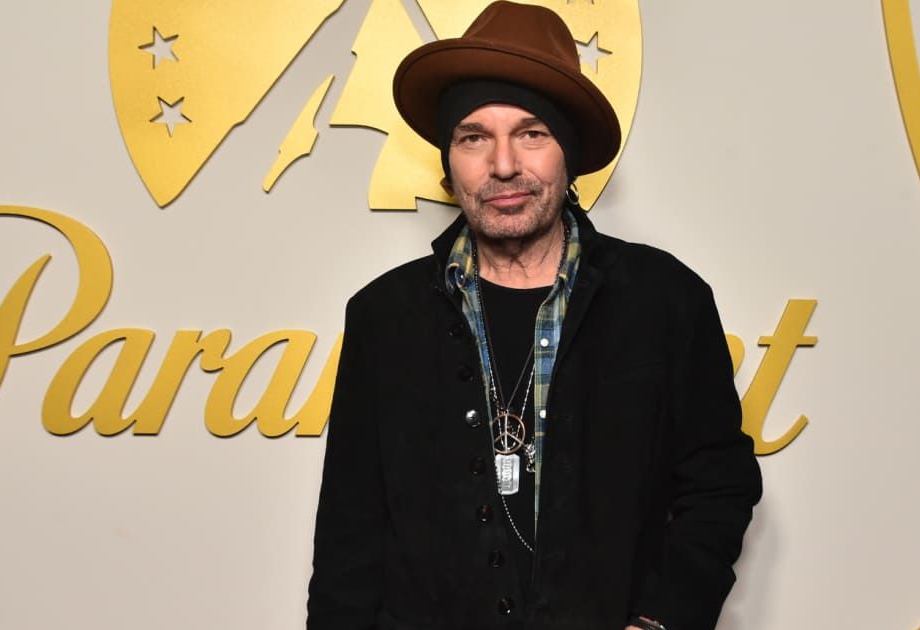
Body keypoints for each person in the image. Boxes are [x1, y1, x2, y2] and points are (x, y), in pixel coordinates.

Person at [307, 2, 762, 629]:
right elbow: (348, 534)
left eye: (531, 133)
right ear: (448, 161)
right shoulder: (384, 316)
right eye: (473, 137)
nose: (502, 166)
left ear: (567, 155)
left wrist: (661, 620)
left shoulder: (666, 301)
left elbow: (719, 486)